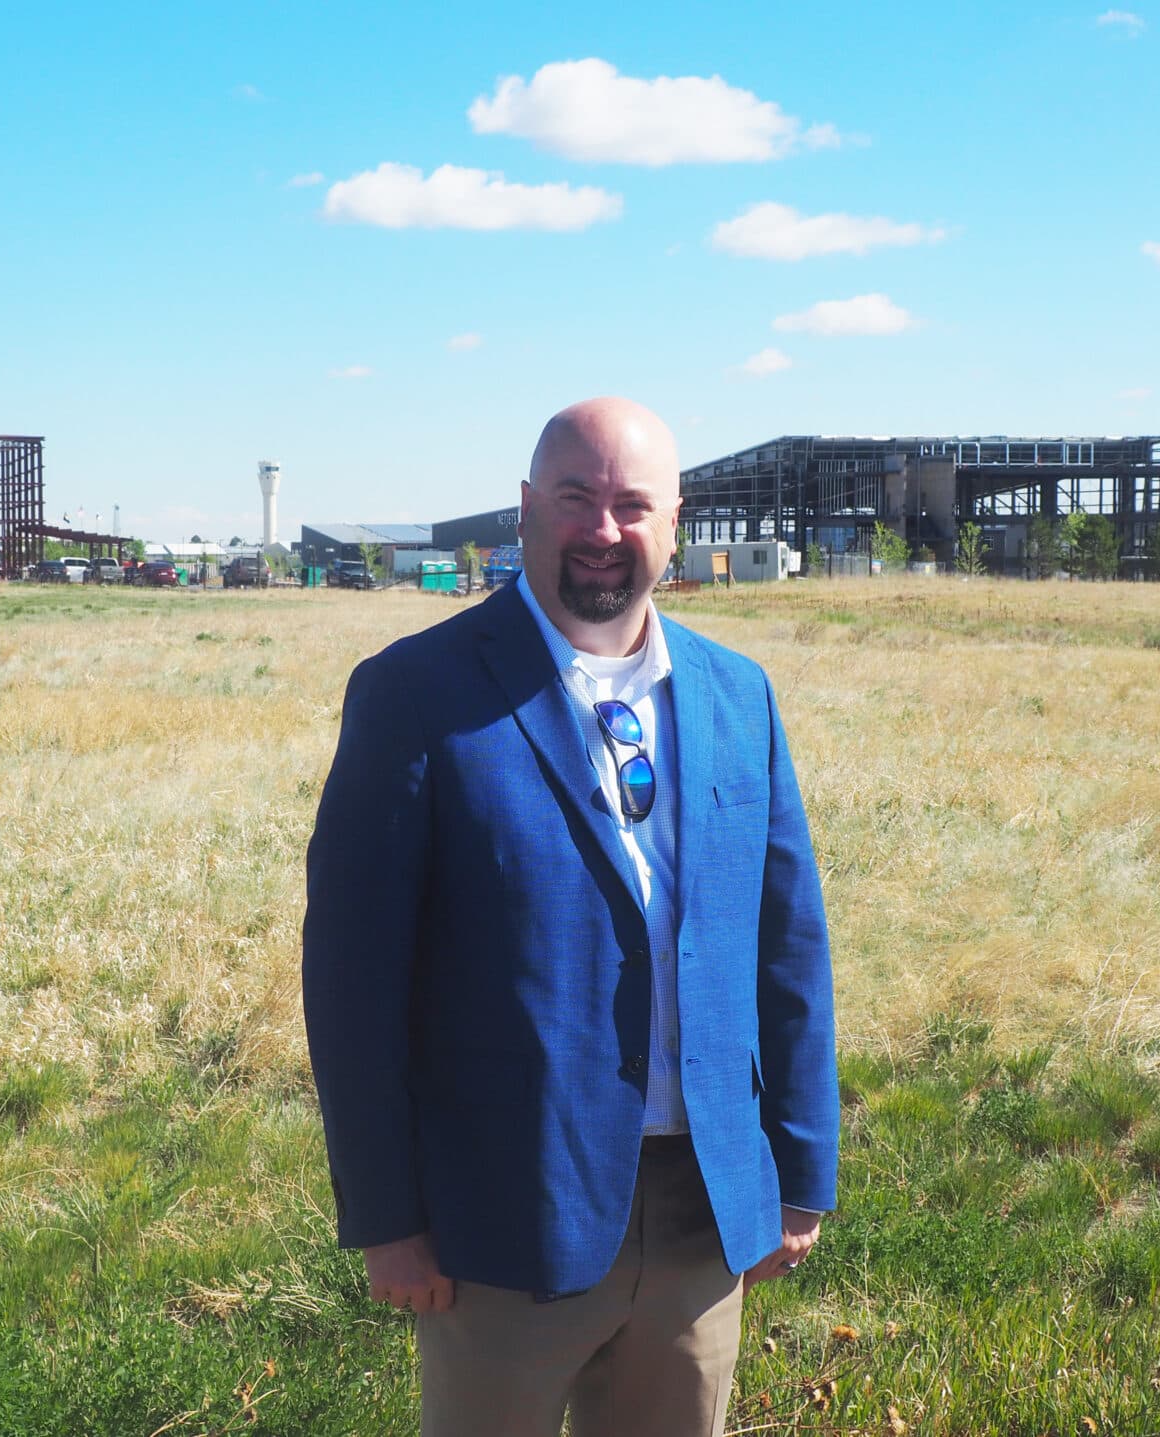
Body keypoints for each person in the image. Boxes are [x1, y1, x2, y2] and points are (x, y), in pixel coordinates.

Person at [301, 397, 839, 1436]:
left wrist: (798, 1169)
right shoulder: (416, 693)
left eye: (630, 505)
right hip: (500, 1218)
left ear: (674, 523)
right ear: (523, 511)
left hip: (701, 1212)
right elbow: (351, 977)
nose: (601, 530)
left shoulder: (737, 695)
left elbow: (788, 945)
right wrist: (385, 1217)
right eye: (574, 499)